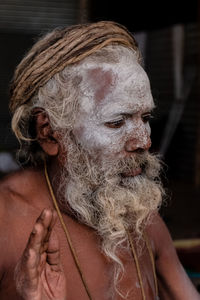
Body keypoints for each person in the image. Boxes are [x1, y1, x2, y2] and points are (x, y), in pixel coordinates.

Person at [0, 21, 199, 300]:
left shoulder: (142, 216)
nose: (144, 141)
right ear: (49, 133)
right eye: (117, 122)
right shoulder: (6, 220)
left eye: (145, 118)